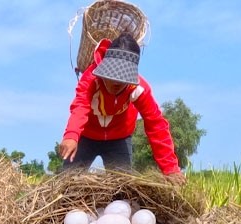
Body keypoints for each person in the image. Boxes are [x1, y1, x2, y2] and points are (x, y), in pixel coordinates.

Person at [58, 32, 185, 183]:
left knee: (122, 187)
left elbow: (156, 125)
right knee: (66, 182)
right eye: (111, 76)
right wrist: (72, 135)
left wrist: (170, 169)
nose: (115, 82)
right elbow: (80, 105)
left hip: (119, 138)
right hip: (87, 136)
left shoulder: (139, 89)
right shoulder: (91, 79)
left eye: (122, 78)